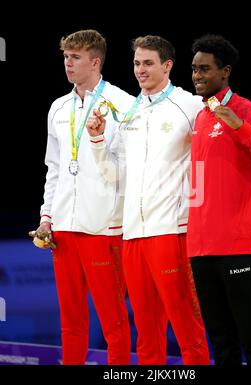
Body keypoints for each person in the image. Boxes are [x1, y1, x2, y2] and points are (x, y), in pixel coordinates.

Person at [86, 35, 210, 365]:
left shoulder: (190, 105)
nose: (140, 70)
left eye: (148, 63)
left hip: (172, 229)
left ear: (168, 66)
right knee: (145, 330)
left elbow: (215, 146)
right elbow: (116, 175)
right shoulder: (129, 112)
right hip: (133, 235)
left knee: (187, 326)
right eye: (137, 63)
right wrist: (97, 140)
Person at [187, 34, 251, 366]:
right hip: (201, 247)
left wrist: (241, 127)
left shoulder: (247, 111)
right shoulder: (200, 118)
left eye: (205, 69)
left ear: (225, 71)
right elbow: (200, 181)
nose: (197, 76)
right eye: (194, 70)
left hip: (238, 245)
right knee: (221, 342)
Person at [35, 29, 134, 365]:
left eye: (75, 57)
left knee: (114, 322)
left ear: (95, 61)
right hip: (63, 228)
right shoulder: (58, 107)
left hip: (103, 228)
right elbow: (54, 168)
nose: (68, 63)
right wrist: (47, 217)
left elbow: (127, 170)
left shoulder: (122, 105)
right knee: (71, 323)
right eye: (65, 56)